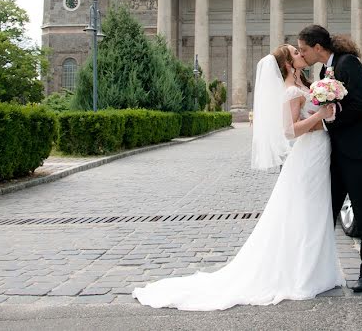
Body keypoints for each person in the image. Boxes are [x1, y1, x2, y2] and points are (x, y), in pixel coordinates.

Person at [132, 44, 344, 310]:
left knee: (316, 213)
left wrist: (326, 113)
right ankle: (302, 275)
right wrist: (321, 116)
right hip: (306, 156)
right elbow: (289, 132)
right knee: (304, 213)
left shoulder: (305, 84)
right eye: (296, 53)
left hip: (317, 154)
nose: (302, 54)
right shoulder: (290, 90)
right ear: (289, 64)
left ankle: (317, 272)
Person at [297, 24, 362, 293]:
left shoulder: (350, 64)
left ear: (318, 48)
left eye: (303, 50)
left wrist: (327, 123)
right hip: (336, 152)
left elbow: (358, 105)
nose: (302, 55)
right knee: (328, 211)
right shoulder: (326, 70)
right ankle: (320, 270)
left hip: (357, 151)